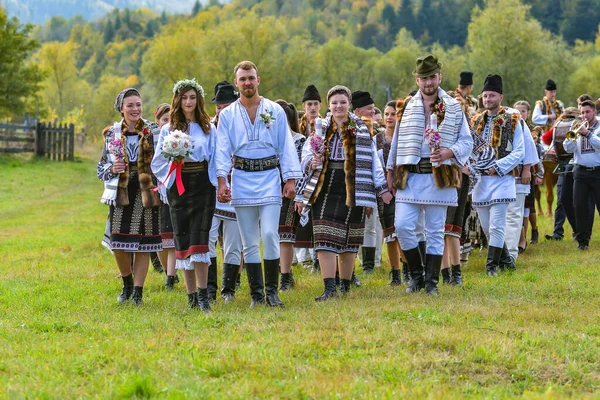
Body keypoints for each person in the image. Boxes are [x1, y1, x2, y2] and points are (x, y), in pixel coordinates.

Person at [215, 61, 302, 308]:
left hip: (269, 178)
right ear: (236, 83)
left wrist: (290, 179)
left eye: (251, 78)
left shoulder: (274, 110)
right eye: (242, 79)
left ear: (258, 80)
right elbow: (222, 150)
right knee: (250, 240)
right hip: (242, 178)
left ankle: (272, 293)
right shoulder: (228, 115)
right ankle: (256, 295)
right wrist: (222, 181)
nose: (247, 83)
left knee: (270, 234)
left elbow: (285, 144)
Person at [386, 55, 473, 295]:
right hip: (410, 176)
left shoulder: (454, 106)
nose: (428, 83)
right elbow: (396, 143)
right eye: (423, 78)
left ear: (440, 77)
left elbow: (467, 141)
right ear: (417, 79)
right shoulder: (406, 106)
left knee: (435, 231)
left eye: (432, 77)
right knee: (403, 227)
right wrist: (390, 170)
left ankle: (432, 282)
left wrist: (449, 152)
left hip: (440, 177)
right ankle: (417, 275)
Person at [300, 85, 392, 301]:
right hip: (326, 185)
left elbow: (373, 162)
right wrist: (310, 161)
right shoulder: (320, 128)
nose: (338, 106)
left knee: (349, 240)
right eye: (334, 103)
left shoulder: (362, 128)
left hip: (353, 186)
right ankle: (329, 288)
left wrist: (382, 189)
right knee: (323, 237)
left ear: (349, 104)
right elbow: (305, 154)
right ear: (329, 106)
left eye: (342, 102)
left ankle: (345, 284)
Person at [151, 78, 217, 311]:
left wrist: (217, 183)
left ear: (198, 100)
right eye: (184, 97)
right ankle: (191, 297)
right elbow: (157, 162)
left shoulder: (208, 126)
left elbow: (215, 157)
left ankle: (203, 295)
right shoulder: (169, 128)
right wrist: (171, 173)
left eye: (192, 97)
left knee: (200, 241)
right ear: (177, 100)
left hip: (202, 185)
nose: (188, 102)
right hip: (179, 186)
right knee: (184, 240)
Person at [98, 88, 162, 305]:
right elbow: (100, 168)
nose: (135, 109)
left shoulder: (154, 131)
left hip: (147, 191)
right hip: (122, 192)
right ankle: (126, 282)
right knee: (118, 241)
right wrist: (112, 168)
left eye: (138, 104)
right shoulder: (112, 133)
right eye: (130, 105)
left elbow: (164, 161)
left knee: (144, 243)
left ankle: (138, 292)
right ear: (121, 109)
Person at [468, 74, 525, 276]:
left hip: (502, 178)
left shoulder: (513, 118)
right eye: (485, 96)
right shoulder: (475, 120)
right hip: (481, 181)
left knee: (497, 225)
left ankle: (491, 267)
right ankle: (508, 262)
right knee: (487, 228)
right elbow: (468, 148)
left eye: (492, 95)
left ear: (500, 97)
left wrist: (498, 166)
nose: (487, 99)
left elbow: (520, 150)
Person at [208, 80, 242, 302]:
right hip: (210, 192)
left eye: (226, 106)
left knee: (233, 241)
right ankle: (209, 288)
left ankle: (228, 288)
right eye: (219, 107)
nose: (221, 111)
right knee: (208, 238)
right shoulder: (207, 127)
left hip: (237, 190)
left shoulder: (243, 127)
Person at [275, 99, 306, 291]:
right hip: (270, 190)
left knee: (285, 233)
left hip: (291, 192)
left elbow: (302, 169)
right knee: (272, 235)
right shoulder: (269, 140)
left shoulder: (299, 140)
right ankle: (283, 270)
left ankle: (285, 277)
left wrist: (301, 195)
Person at [352, 90, 382, 275]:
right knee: (354, 226)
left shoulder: (375, 130)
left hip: (372, 181)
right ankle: (351, 268)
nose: (373, 112)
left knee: (370, 226)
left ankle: (369, 266)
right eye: (369, 109)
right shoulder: (350, 130)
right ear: (357, 111)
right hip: (354, 183)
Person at [564, 100, 600, 250]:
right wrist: (574, 135)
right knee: (580, 206)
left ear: (594, 112)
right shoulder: (578, 127)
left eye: (587, 112)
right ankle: (583, 241)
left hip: (598, 171)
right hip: (580, 171)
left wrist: (588, 134)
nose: (584, 115)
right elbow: (567, 148)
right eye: (582, 112)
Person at [377, 100, 406, 285]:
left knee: (403, 231)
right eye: (386, 114)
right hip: (384, 192)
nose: (389, 117)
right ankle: (395, 273)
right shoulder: (376, 139)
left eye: (393, 114)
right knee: (389, 235)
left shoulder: (404, 137)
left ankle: (409, 268)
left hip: (403, 189)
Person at [296, 84, 322, 273]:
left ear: (320, 105)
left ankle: (317, 259)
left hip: (320, 178)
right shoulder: (299, 127)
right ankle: (303, 258)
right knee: (303, 219)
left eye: (315, 104)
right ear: (304, 106)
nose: (312, 108)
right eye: (309, 104)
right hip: (301, 177)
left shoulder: (325, 124)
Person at [153, 103, 179, 289]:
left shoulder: (179, 136)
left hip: (175, 187)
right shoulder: (151, 137)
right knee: (162, 238)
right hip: (158, 189)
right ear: (158, 121)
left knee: (172, 235)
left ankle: (171, 276)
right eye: (164, 120)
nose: (168, 123)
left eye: (171, 119)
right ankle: (167, 270)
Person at [533, 79, 565, 217]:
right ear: (546, 91)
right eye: (550, 91)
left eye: (554, 91)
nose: (552, 93)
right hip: (544, 139)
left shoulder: (559, 104)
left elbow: (564, 116)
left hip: (556, 138)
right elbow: (535, 118)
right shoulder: (540, 104)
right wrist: (548, 117)